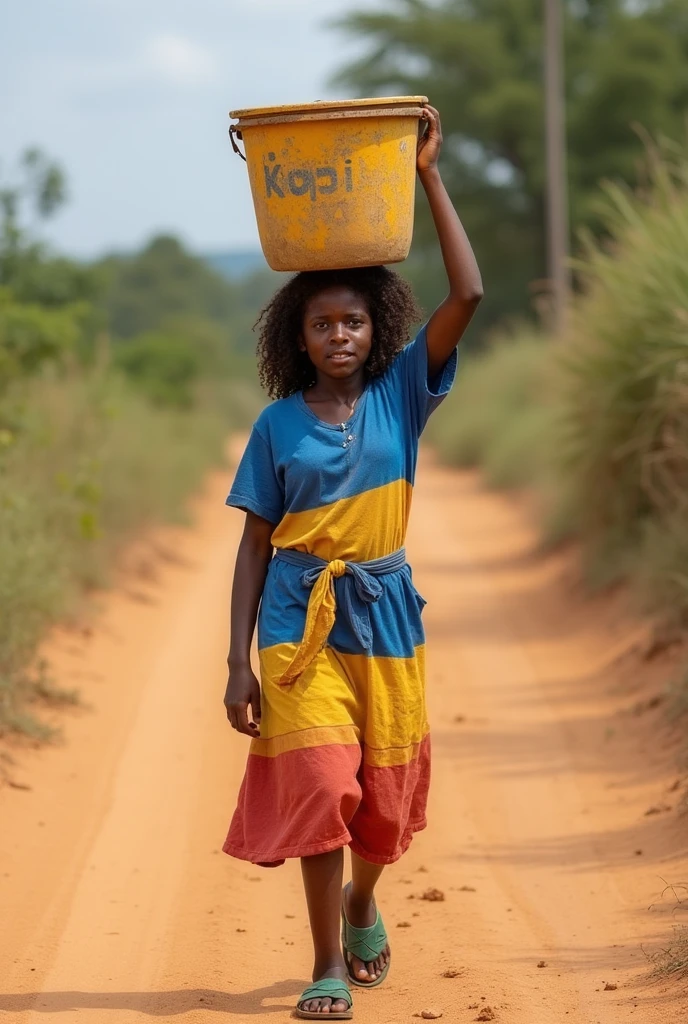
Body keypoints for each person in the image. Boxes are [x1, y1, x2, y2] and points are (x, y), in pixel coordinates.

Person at [223, 105, 482, 1020]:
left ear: (379, 333)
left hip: (384, 614)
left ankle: (364, 899)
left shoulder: (402, 396)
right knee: (326, 784)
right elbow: (254, 543)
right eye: (324, 323)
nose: (341, 336)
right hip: (300, 621)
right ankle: (326, 961)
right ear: (299, 337)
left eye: (356, 323)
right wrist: (236, 662)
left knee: (382, 795)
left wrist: (427, 175)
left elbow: (470, 295)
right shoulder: (276, 426)